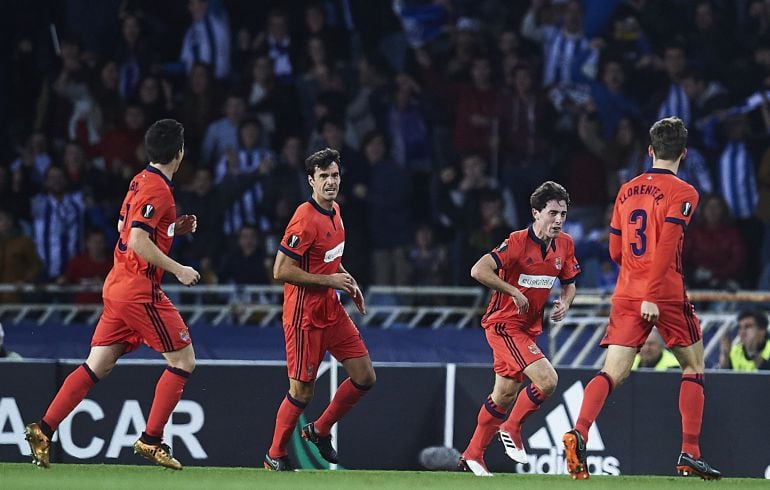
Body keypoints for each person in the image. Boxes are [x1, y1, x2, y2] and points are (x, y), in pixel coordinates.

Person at [24, 119, 201, 470]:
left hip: (117, 286)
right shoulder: (159, 190)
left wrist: (169, 228)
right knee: (183, 361)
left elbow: (124, 227)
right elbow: (136, 239)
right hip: (139, 290)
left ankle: (43, 429)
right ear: (178, 153)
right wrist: (178, 268)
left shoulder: (139, 181)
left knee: (97, 365)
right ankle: (152, 440)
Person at [562, 117, 721, 480]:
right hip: (662, 290)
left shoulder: (626, 189)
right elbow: (666, 243)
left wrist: (635, 276)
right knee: (693, 366)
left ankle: (580, 431)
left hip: (627, 289)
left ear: (649, 151)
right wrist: (652, 290)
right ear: (683, 153)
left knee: (613, 371)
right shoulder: (685, 192)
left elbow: (615, 249)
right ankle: (690, 453)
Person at [459, 181, 581, 477]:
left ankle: (473, 454)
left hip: (528, 329)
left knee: (503, 394)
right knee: (548, 380)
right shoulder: (515, 242)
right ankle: (511, 427)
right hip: (504, 324)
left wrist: (565, 302)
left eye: (563, 214)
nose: (558, 220)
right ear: (536, 213)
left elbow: (570, 284)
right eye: (552, 213)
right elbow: (478, 270)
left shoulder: (564, 244)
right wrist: (512, 291)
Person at [264, 148, 375, 471]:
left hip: (331, 310)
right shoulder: (304, 219)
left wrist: (347, 282)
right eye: (323, 176)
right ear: (310, 180)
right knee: (301, 391)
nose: (330, 182)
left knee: (365, 376)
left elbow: (330, 261)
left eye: (335, 175)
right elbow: (281, 270)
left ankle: (320, 429)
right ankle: (275, 454)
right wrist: (329, 280)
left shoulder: (336, 211)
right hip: (304, 317)